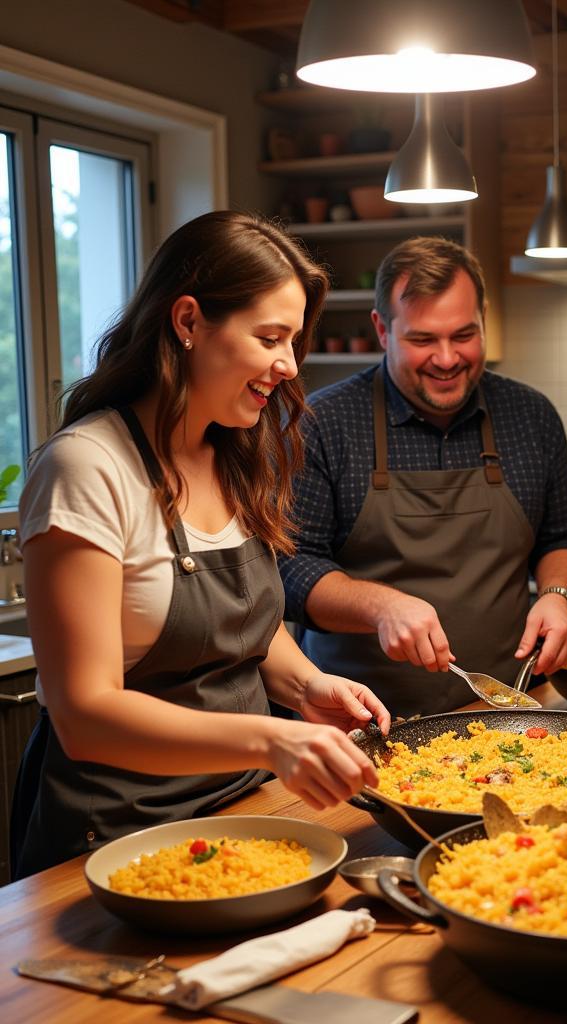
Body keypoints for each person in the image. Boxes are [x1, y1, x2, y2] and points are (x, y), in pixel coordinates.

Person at [12, 211, 390, 880]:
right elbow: (85, 713)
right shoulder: (87, 468)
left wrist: (307, 686)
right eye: (270, 337)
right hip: (116, 844)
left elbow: (245, 624)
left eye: (293, 341)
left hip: (243, 815)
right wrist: (273, 738)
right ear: (187, 322)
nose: (287, 365)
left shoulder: (234, 454)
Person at [279, 236, 567, 718]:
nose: (447, 359)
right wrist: (380, 606)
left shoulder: (530, 416)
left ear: (485, 321)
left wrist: (558, 596)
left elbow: (565, 536)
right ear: (382, 331)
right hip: (359, 718)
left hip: (502, 712)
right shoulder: (325, 422)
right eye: (423, 339)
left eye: (464, 335)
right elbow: (290, 567)